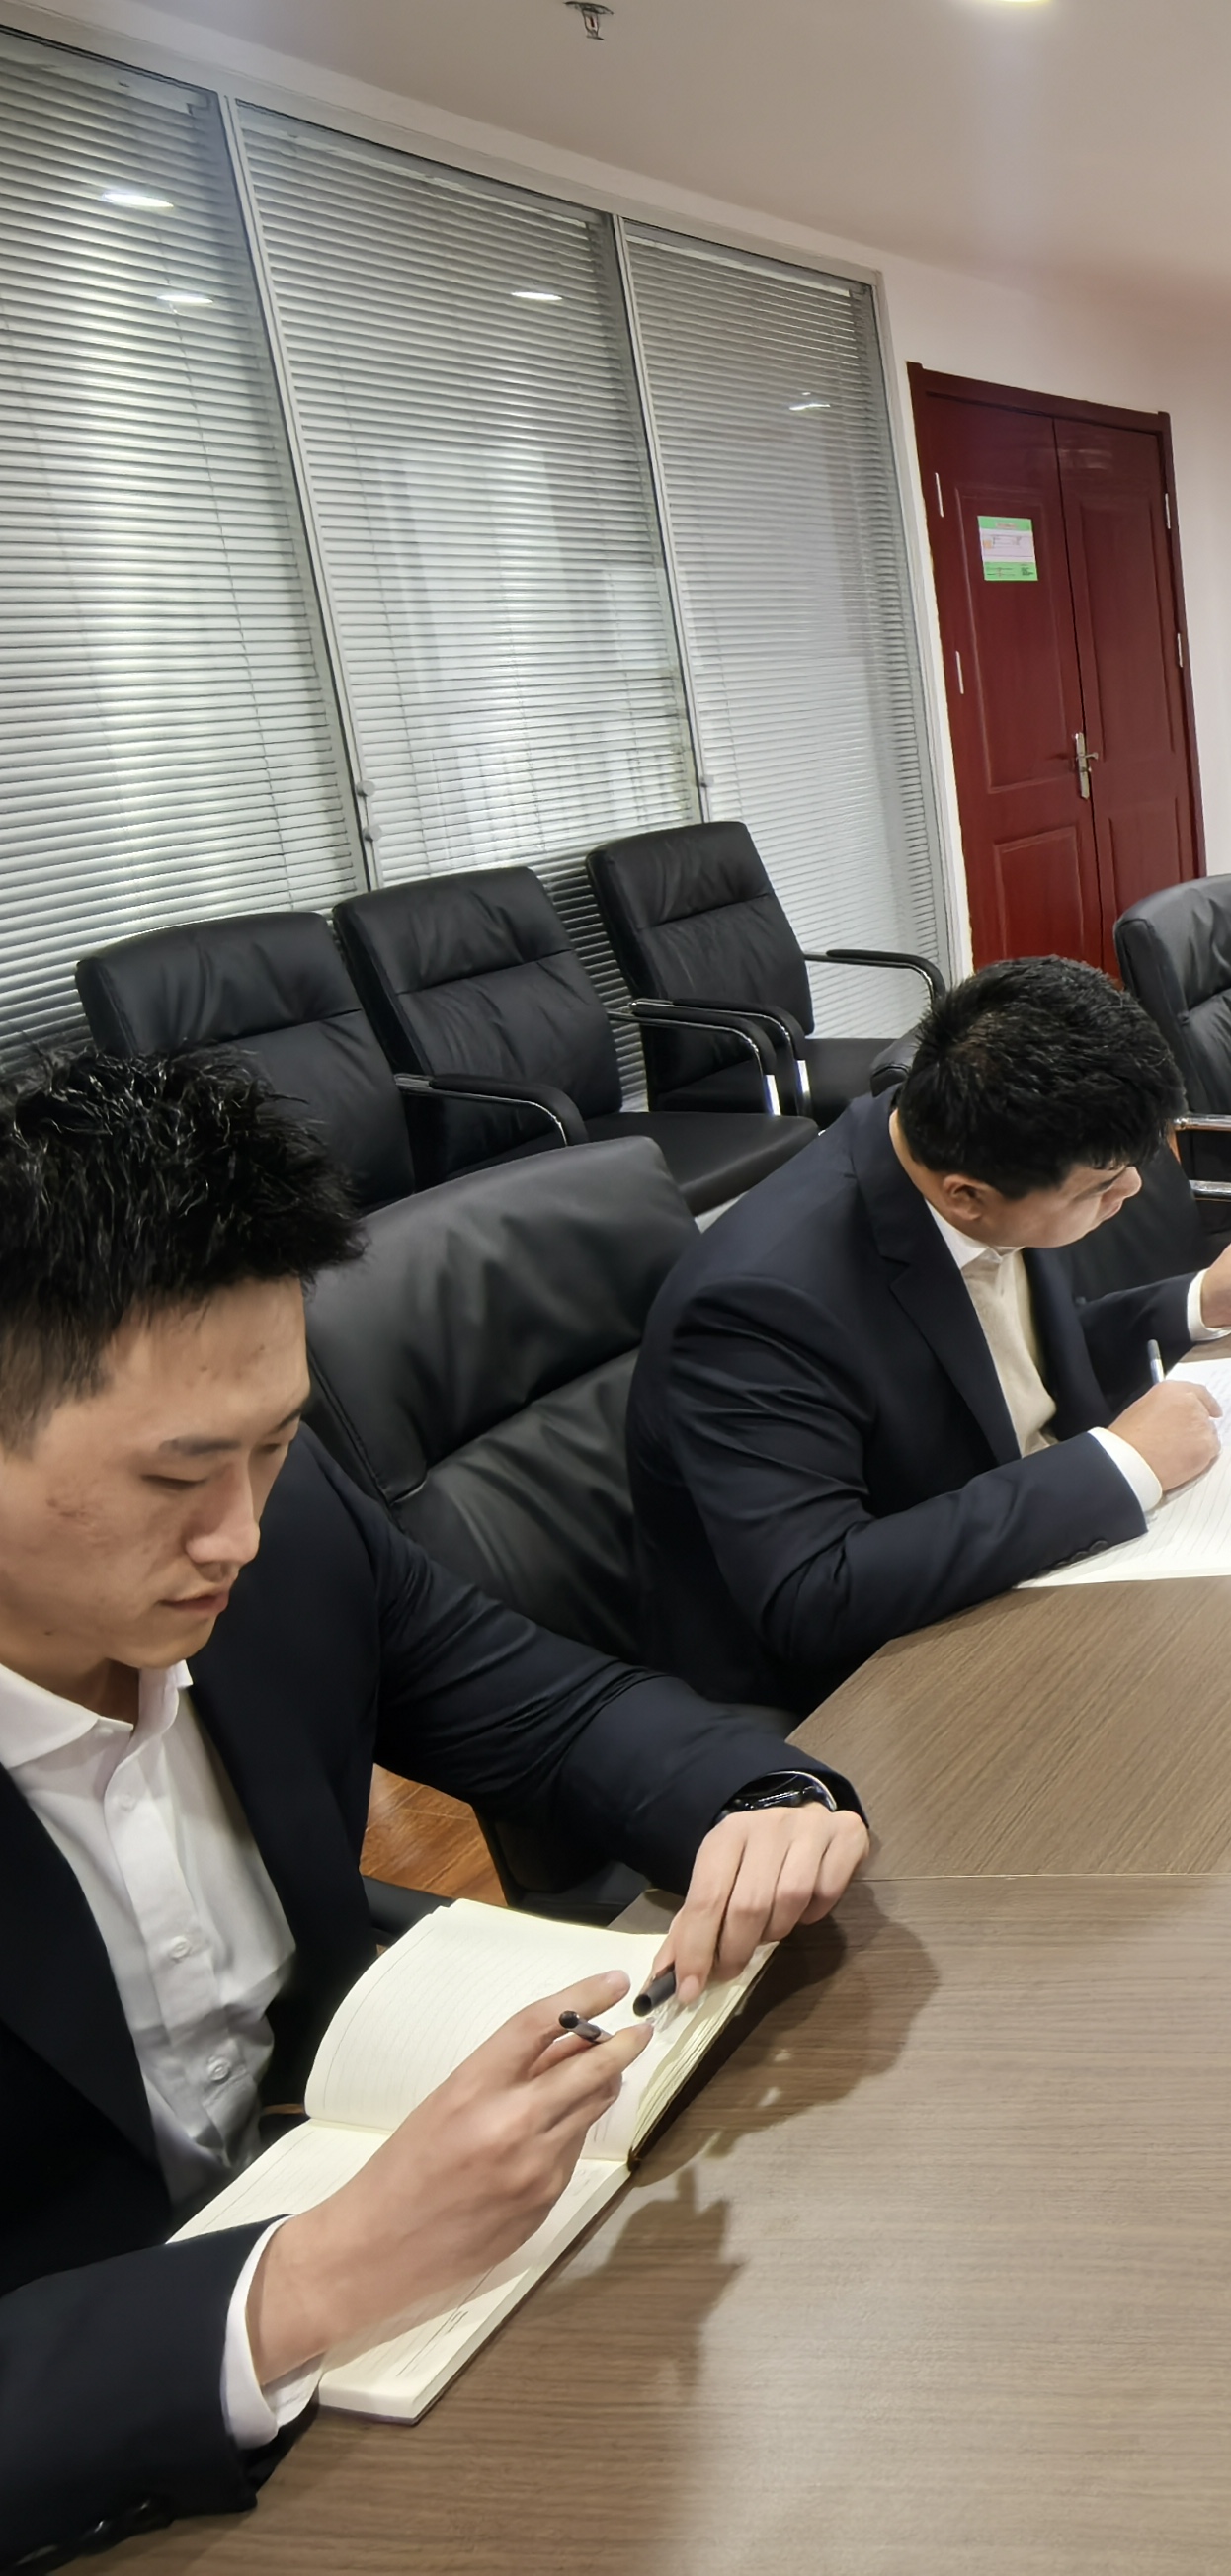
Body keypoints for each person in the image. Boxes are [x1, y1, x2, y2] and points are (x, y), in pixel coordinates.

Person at [1, 1054, 871, 2559]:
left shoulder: (285, 1533)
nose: (240, 1534)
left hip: (379, 2331)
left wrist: (766, 1798)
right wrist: (302, 2281)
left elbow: (550, 1707)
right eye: (177, 1476)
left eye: (276, 1442)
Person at [629, 957, 1231, 1713]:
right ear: (966, 1199)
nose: (1131, 1190)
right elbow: (814, 1593)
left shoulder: (981, 1144)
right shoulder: (757, 1306)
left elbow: (1004, 1364)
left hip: (1032, 1561)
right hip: (878, 1685)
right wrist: (1121, 1465)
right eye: (1101, 1186)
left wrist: (1198, 1300)